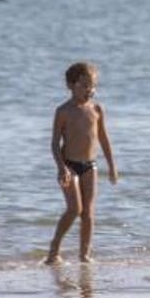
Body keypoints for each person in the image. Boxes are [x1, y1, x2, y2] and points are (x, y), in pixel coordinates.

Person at [46, 62, 118, 264]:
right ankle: (54, 250)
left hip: (90, 166)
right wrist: (61, 168)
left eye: (92, 85)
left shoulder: (96, 109)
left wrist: (112, 166)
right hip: (69, 165)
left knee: (88, 213)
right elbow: (54, 143)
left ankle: (84, 255)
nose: (90, 90)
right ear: (70, 85)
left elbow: (104, 139)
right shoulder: (63, 111)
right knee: (74, 209)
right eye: (84, 85)